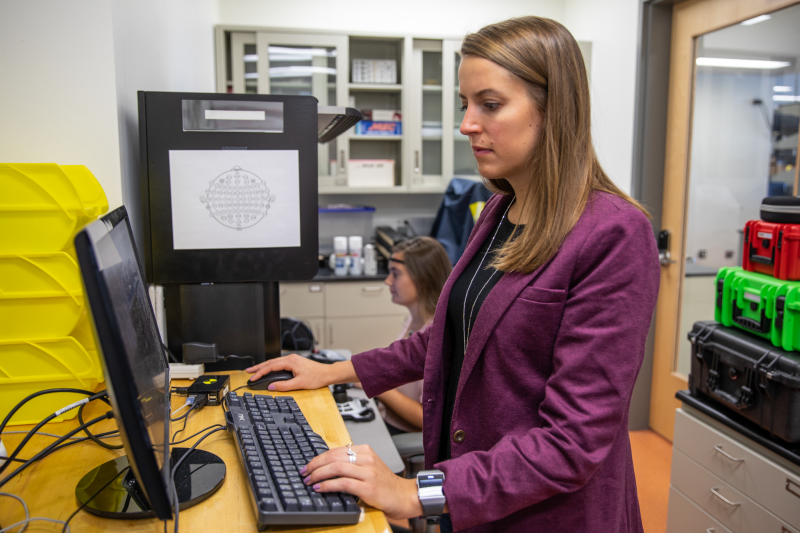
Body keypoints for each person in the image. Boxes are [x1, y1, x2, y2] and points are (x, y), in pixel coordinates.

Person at [247, 16, 659, 532]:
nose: (467, 123)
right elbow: (447, 338)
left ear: (554, 108)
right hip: (474, 503)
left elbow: (572, 442)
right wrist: (333, 371)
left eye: (489, 104)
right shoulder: (498, 211)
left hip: (548, 518)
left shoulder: (613, 235)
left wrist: (413, 490)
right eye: (465, 105)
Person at [374, 237, 452, 434]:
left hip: (404, 435)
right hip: (387, 419)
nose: (388, 281)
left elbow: (428, 420)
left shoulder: (438, 336)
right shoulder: (414, 320)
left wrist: (375, 384)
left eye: (396, 274)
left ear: (423, 279)